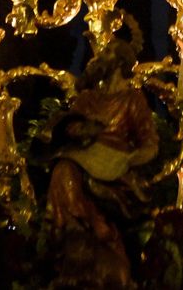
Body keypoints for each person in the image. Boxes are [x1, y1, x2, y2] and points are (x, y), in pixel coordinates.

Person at [45, 40, 158, 288]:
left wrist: (130, 159)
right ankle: (86, 224)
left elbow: (149, 144)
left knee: (75, 173)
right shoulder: (87, 99)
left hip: (114, 170)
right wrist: (78, 130)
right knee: (62, 170)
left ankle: (98, 232)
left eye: (106, 52)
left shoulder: (132, 99)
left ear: (119, 62)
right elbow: (67, 126)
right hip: (82, 158)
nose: (99, 55)